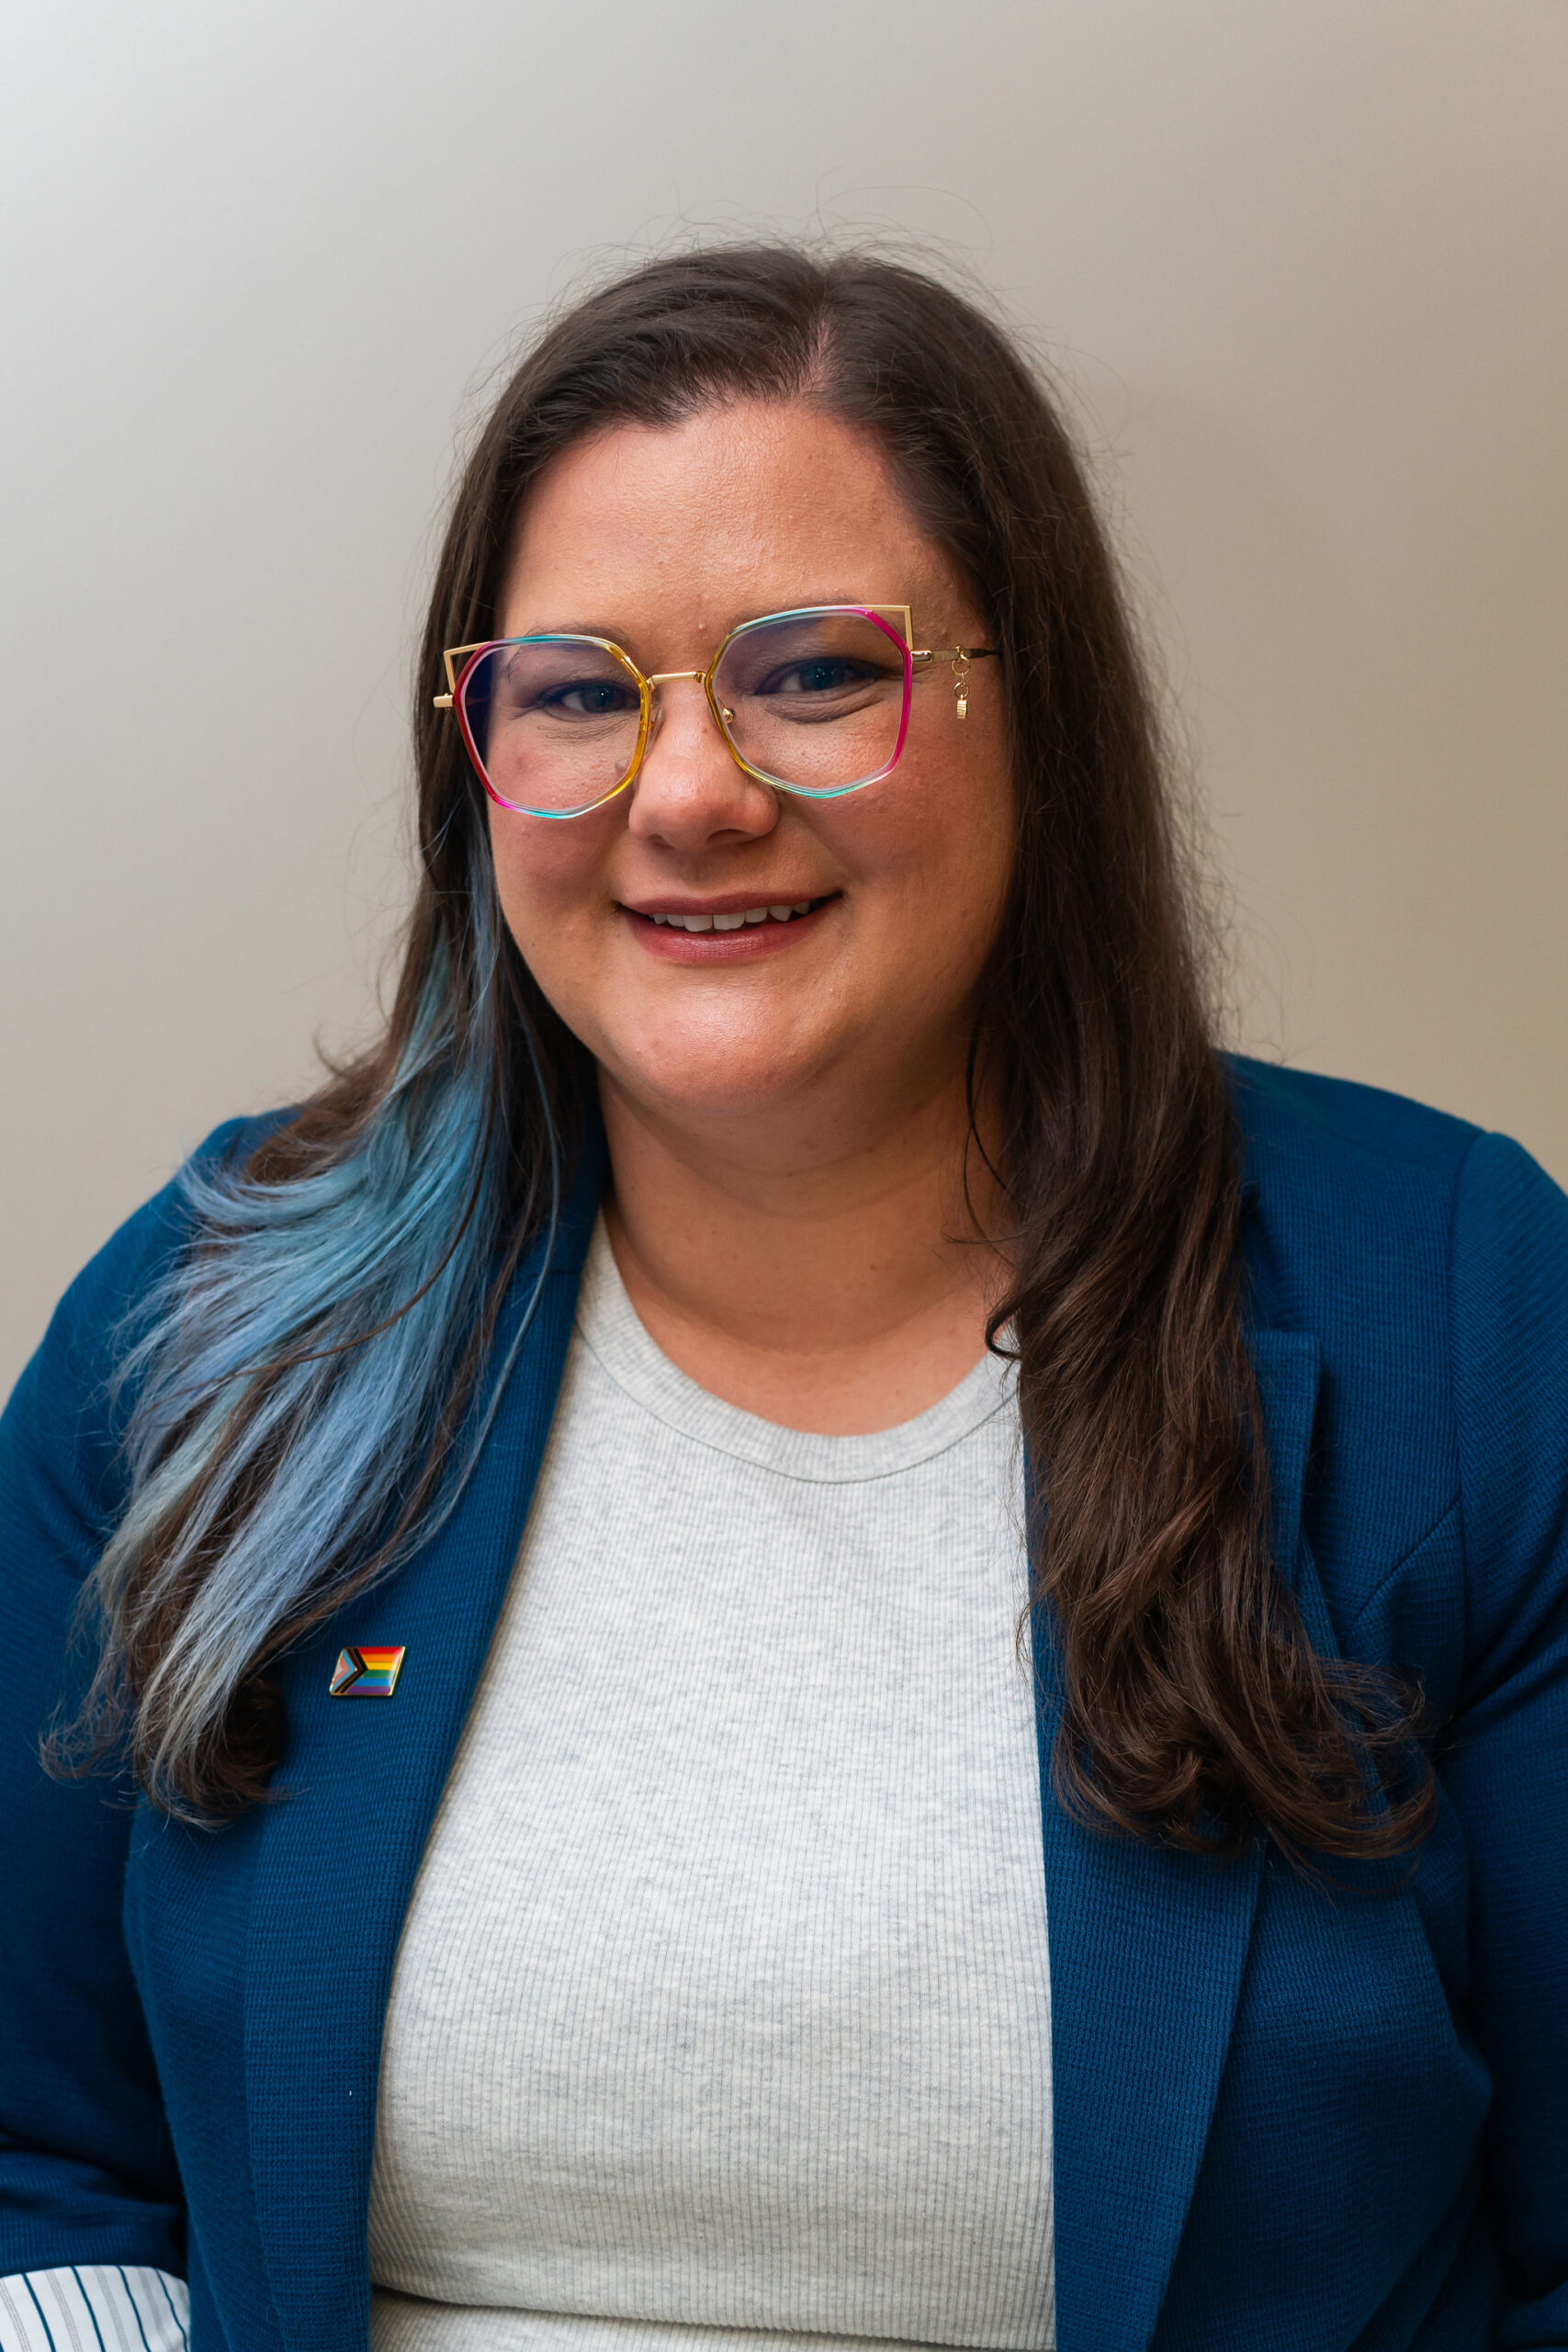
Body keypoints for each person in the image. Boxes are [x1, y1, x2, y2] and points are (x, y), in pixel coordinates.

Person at [1, 247, 1563, 2352]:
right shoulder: (204, 1324)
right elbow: (33, 2153)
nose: (687, 791)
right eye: (573, 690)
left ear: (1039, 714)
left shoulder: (1452, 1312)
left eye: (814, 671)